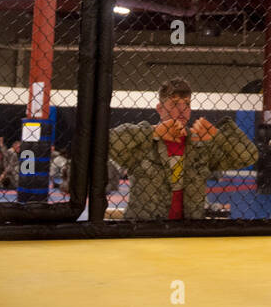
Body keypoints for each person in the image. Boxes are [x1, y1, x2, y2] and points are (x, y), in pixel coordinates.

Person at [107, 78, 257, 220]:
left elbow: (249, 156)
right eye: (174, 104)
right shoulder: (144, 144)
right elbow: (107, 142)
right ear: (160, 109)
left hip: (187, 229)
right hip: (145, 228)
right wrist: (152, 131)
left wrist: (217, 135)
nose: (182, 110)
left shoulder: (200, 146)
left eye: (187, 104)